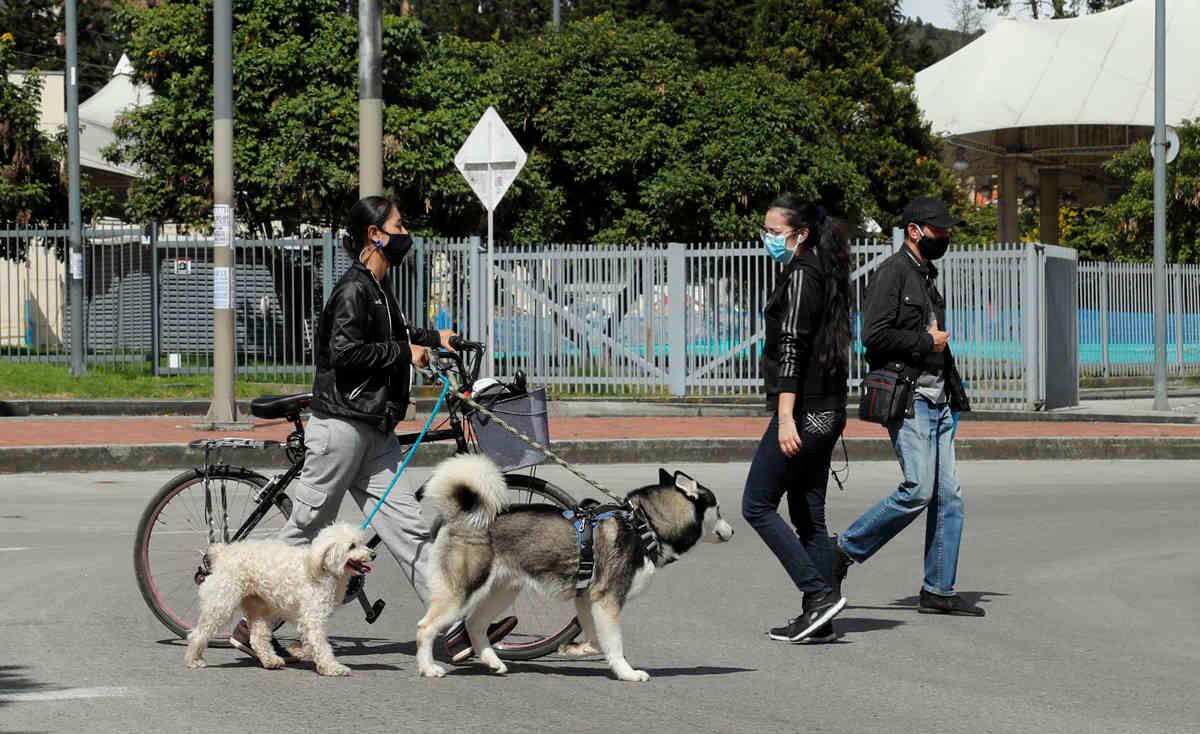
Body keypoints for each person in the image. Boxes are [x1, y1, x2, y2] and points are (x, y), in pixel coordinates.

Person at [230, 196, 517, 663]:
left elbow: (391, 331)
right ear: (375, 235)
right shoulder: (352, 289)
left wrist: (431, 338)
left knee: (410, 533)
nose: (406, 232)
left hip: (375, 432)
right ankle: (250, 624)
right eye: (398, 225)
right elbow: (346, 352)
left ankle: (457, 628)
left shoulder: (379, 288)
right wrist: (405, 352)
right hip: (341, 428)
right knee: (306, 530)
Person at [831, 197, 984, 617]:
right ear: (915, 231)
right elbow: (873, 336)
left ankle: (938, 588)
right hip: (910, 397)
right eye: (940, 230)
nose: (946, 237)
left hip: (939, 401)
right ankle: (842, 549)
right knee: (918, 489)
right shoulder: (893, 273)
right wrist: (924, 342)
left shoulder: (926, 275)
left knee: (949, 497)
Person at [742, 195, 852, 643]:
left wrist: (785, 417)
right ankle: (819, 615)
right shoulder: (823, 270)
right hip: (826, 410)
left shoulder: (803, 274)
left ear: (800, 234)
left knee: (756, 504)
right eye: (765, 230)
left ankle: (818, 594)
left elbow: (792, 348)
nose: (768, 238)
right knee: (808, 516)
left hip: (806, 411)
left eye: (775, 232)